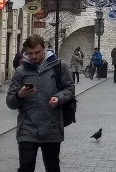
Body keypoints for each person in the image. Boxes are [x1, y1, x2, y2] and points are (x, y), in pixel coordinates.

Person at [6, 34, 75, 172]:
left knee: (52, 166)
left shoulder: (59, 66)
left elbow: (70, 89)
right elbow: (10, 102)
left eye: (37, 52)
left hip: (51, 126)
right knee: (26, 167)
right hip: (27, 127)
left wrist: (58, 98)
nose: (33, 57)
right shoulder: (20, 71)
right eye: (30, 53)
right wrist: (20, 95)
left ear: (44, 48)